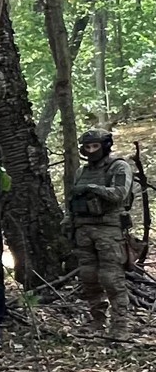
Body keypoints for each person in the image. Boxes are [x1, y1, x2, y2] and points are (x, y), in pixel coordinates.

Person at [66, 128, 135, 338]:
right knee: (88, 278)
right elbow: (73, 201)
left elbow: (119, 194)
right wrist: (68, 222)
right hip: (83, 229)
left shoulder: (118, 166)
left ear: (105, 146)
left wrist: (93, 188)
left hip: (109, 229)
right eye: (87, 147)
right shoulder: (82, 171)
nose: (91, 150)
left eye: (95, 146)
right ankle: (97, 320)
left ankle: (120, 325)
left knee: (111, 278)